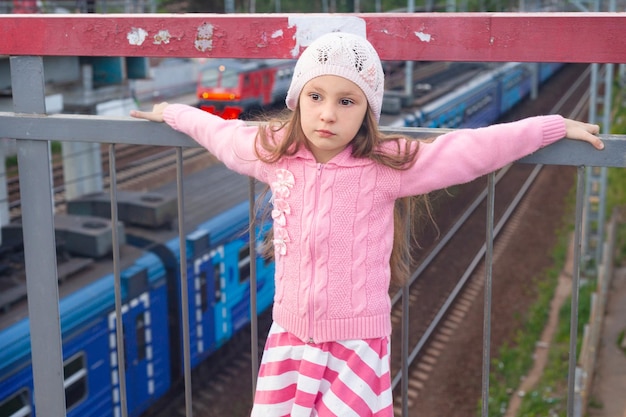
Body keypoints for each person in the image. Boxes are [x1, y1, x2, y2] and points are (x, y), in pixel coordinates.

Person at [131, 32, 603, 416]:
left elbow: (467, 151)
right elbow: (219, 133)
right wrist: (172, 113)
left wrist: (551, 127)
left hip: (356, 343)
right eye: (316, 96)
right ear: (297, 100)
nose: (328, 113)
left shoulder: (386, 166)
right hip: (289, 337)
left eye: (347, 101)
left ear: (367, 113)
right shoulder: (273, 153)